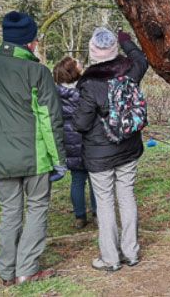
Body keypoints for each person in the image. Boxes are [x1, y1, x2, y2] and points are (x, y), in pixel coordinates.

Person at [0, 11, 66, 286]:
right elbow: (49, 119)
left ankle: (7, 272)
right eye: (36, 40)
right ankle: (26, 270)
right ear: (30, 42)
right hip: (35, 158)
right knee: (37, 207)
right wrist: (59, 160)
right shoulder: (37, 72)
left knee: (9, 211)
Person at [74, 27, 148, 272]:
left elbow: (81, 123)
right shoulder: (130, 71)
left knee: (105, 202)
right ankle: (131, 252)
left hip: (99, 154)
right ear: (114, 49)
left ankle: (110, 259)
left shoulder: (89, 83)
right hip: (129, 146)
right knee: (127, 196)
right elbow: (141, 59)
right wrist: (126, 40)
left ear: (93, 52)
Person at [53, 56, 97, 229]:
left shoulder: (55, 93)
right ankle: (97, 213)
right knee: (95, 179)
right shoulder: (83, 90)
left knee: (77, 180)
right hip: (88, 139)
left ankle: (80, 217)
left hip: (69, 141)